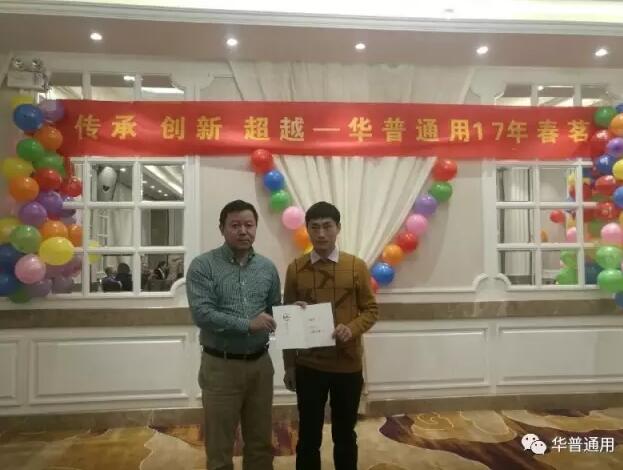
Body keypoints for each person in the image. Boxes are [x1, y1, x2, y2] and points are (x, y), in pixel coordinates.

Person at [282, 201, 378, 470]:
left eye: (327, 226)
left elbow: (371, 310)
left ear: (338, 228)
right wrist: (289, 365)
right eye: (315, 227)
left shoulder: (356, 266)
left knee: (345, 435)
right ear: (307, 230)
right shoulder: (296, 268)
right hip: (309, 366)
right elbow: (288, 320)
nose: (321, 233)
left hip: (347, 366)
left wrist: (352, 328)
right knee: (308, 436)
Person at [186, 200, 281, 470]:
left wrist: (294, 314)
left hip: (260, 367)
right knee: (220, 445)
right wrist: (247, 324)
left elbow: (274, 310)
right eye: (235, 225)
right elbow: (203, 314)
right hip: (221, 366)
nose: (243, 231)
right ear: (222, 228)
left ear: (256, 228)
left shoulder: (267, 268)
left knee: (260, 442)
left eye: (249, 225)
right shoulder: (203, 266)